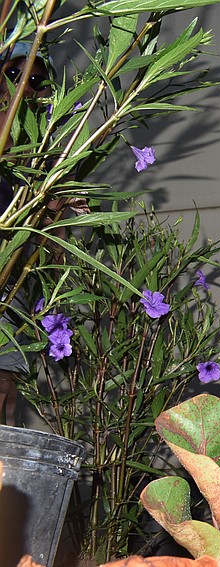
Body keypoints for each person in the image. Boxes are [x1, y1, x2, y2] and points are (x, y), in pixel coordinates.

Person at [0, 41, 53, 425]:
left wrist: (55, 211)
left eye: (36, 79)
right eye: (15, 74)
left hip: (12, 288)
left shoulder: (39, 152)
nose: (24, 86)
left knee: (5, 394)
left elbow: (49, 249)